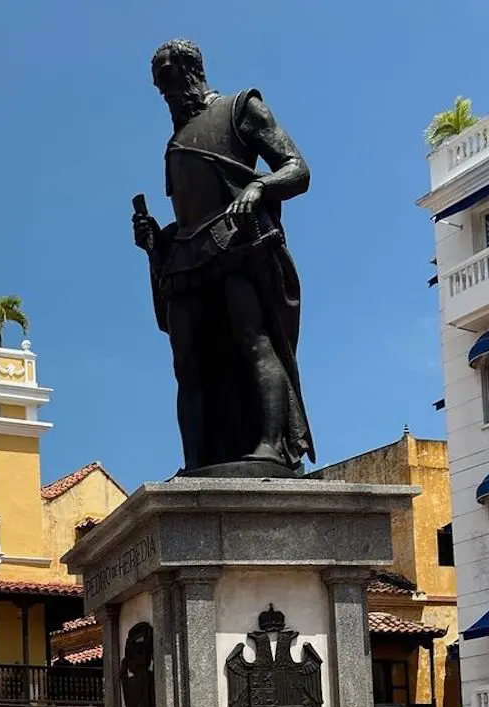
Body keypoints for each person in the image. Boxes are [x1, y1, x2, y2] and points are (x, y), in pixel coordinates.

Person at [132, 38, 313, 473]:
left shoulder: (240, 106)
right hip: (187, 255)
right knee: (189, 364)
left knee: (252, 341)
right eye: (160, 87)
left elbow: (296, 169)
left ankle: (271, 446)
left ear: (192, 71)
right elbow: (188, 211)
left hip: (238, 244)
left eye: (170, 81)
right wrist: (156, 240)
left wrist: (259, 186)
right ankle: (196, 462)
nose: (167, 94)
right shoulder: (175, 143)